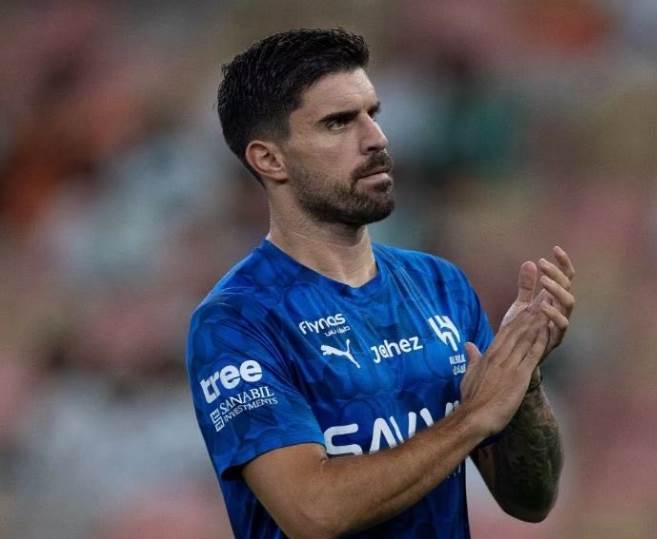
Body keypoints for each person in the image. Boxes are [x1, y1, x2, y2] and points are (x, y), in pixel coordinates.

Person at [186, 28, 576, 539]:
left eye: (373, 114)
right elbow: (314, 513)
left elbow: (530, 501)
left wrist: (520, 375)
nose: (376, 138)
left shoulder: (440, 285)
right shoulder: (236, 321)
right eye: (338, 123)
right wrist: (473, 417)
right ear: (270, 159)